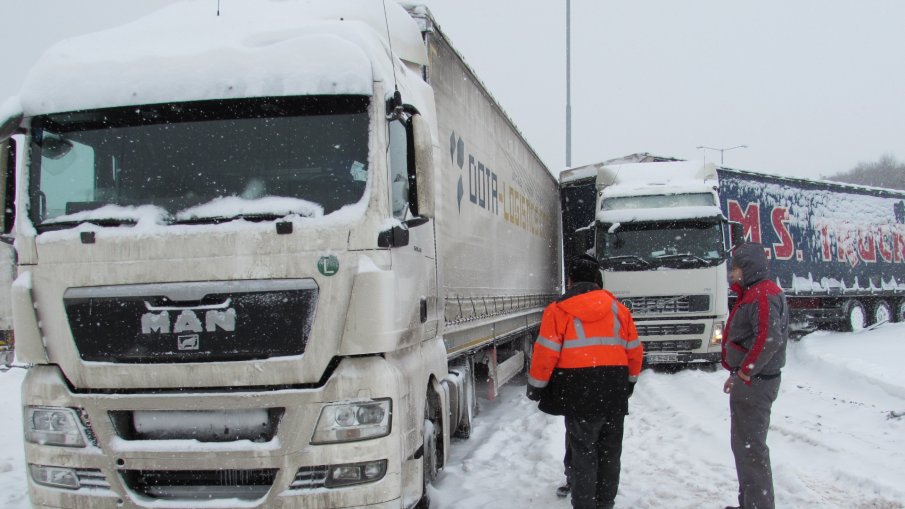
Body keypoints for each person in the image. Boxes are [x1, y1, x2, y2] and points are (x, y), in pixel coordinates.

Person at [527, 254, 643, 509]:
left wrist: (536, 386)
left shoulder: (558, 311)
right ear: (597, 280)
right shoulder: (619, 310)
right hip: (613, 388)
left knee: (584, 451)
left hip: (579, 389)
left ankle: (584, 504)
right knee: (610, 451)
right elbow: (634, 350)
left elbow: (545, 353)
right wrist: (630, 382)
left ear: (570, 280)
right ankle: (605, 503)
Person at [721, 243, 789, 509]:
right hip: (750, 381)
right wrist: (737, 374)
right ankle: (749, 503)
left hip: (757, 383)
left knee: (751, 450)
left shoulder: (762, 295)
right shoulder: (755, 292)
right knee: (744, 448)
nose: (732, 274)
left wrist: (746, 373)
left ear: (747, 268)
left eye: (735, 268)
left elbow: (767, 340)